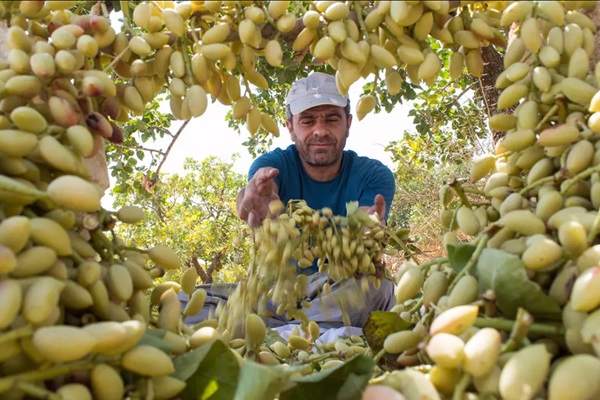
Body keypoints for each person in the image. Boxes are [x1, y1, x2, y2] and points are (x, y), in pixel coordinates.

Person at [180, 72, 396, 330]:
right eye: (307, 121)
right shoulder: (272, 165)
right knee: (185, 301)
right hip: (277, 294)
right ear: (290, 127)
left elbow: (364, 224)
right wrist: (257, 202)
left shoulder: (374, 174)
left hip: (336, 288)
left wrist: (369, 231)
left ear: (348, 123)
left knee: (376, 287)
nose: (320, 130)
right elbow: (261, 193)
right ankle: (303, 330)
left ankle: (276, 330)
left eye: (331, 119)